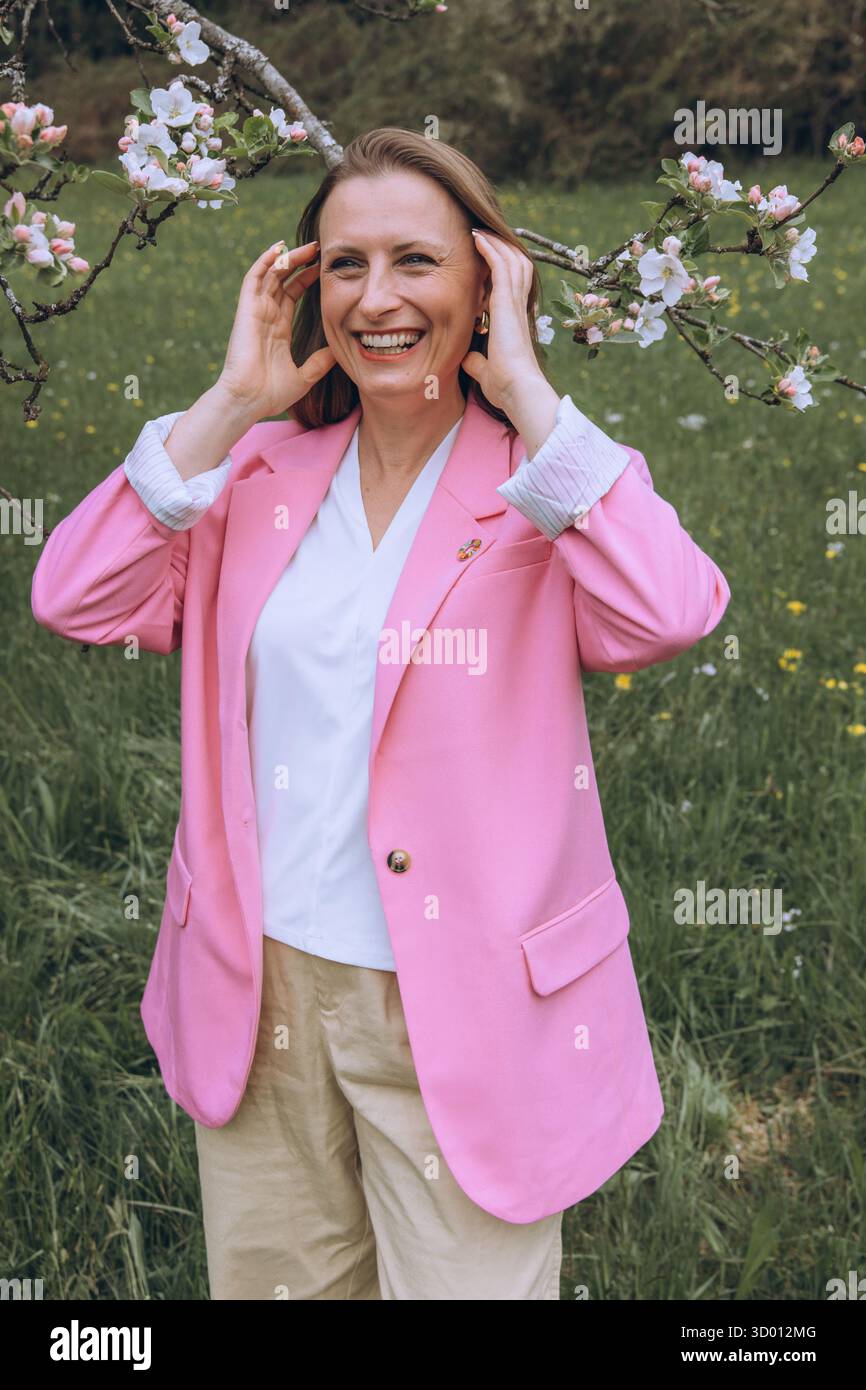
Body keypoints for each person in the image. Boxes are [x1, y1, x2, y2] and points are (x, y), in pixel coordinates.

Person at [30, 127, 731, 1301]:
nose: (378, 297)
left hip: (464, 998)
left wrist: (523, 390)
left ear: (486, 280)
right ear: (307, 288)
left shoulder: (544, 483)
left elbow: (666, 611)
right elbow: (73, 593)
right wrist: (229, 400)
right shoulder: (253, 476)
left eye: (417, 260)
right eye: (344, 264)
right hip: (259, 987)